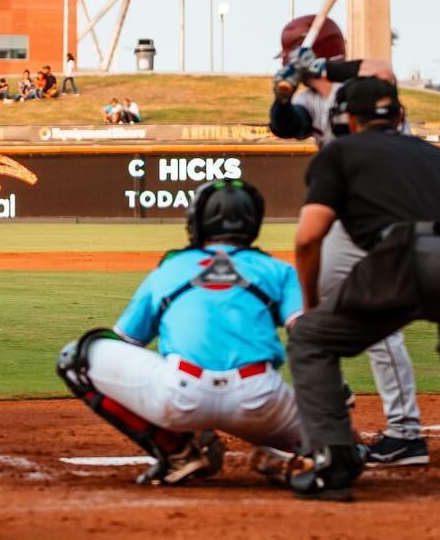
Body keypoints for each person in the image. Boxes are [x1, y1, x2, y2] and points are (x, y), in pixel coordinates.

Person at [287, 77, 440, 502]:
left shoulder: (338, 153)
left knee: (309, 340)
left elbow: (308, 238)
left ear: (347, 120)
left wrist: (311, 309)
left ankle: (334, 460)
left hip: (402, 257)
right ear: (400, 116)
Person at [57, 180, 304, 487]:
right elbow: (308, 335)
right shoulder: (279, 270)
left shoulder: (168, 268)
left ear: (196, 222)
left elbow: (126, 343)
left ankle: (177, 452)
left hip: (180, 395)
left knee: (74, 358)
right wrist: (333, 401)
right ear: (254, 223)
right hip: (262, 400)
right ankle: (296, 459)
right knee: (343, 447)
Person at [267, 14, 428, 467]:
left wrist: (323, 70)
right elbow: (286, 125)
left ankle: (406, 434)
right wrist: (280, 97)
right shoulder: (309, 101)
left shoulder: (362, 87)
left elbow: (384, 72)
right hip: (346, 216)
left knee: (377, 321)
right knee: (312, 308)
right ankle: (331, 394)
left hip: (387, 209)